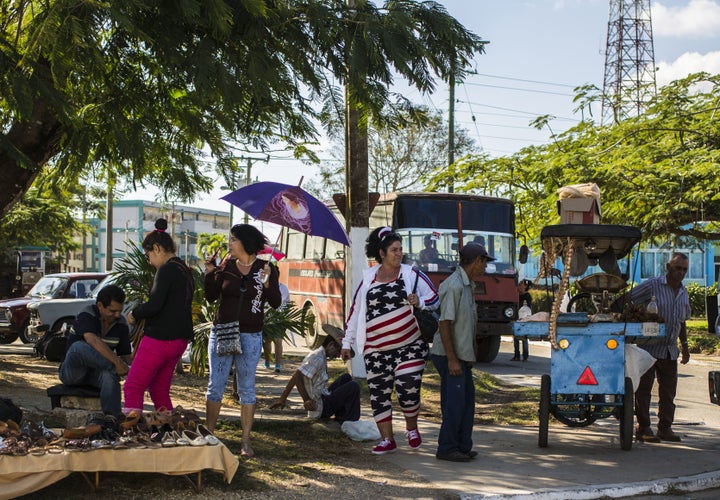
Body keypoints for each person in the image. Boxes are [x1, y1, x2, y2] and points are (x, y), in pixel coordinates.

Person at [342, 226, 439, 455]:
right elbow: (356, 312)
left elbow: (434, 296)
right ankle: (387, 439)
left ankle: (412, 428)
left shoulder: (411, 273)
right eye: (394, 250)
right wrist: (347, 342)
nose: (399, 254)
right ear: (382, 253)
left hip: (410, 346)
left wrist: (421, 302)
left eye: (400, 249)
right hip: (375, 350)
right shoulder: (368, 278)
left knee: (408, 388)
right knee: (379, 394)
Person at [204, 224, 282, 458]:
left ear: (246, 243)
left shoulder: (266, 268)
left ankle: (245, 441)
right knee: (215, 386)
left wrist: (267, 283)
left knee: (247, 389)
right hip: (223, 331)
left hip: (250, 335)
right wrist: (210, 273)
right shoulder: (227, 265)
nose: (230, 243)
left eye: (233, 240)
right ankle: (209, 435)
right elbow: (210, 297)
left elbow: (276, 302)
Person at [123, 218, 195, 415]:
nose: (149, 260)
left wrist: (134, 314)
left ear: (156, 248)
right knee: (159, 390)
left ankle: (131, 433)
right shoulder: (184, 269)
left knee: (133, 387)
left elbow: (155, 305)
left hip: (160, 339)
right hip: (179, 340)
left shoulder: (166, 270)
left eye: (148, 255)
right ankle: (168, 433)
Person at [431, 242, 494, 462]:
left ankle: (462, 446)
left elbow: (467, 321)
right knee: (455, 404)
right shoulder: (454, 285)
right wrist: (452, 359)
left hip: (461, 353)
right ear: (477, 261)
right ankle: (447, 448)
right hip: (449, 354)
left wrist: (472, 347)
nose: (485, 267)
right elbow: (445, 323)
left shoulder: (468, 285)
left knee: (467, 402)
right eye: (484, 262)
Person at [631, 252, 691, 443]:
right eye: (677, 268)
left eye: (684, 269)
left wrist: (685, 346)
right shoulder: (653, 285)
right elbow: (629, 298)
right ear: (668, 267)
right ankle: (643, 427)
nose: (680, 272)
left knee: (668, 393)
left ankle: (665, 428)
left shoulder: (683, 292)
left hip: (669, 350)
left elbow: (682, 322)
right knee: (644, 390)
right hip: (648, 348)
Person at [59, 284, 132, 416]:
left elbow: (126, 356)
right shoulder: (86, 314)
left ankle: (112, 418)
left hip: (96, 375)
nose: (117, 315)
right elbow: (92, 340)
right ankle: (112, 368)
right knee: (78, 347)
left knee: (109, 375)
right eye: (112, 311)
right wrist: (117, 364)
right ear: (100, 306)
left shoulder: (121, 323)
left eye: (119, 311)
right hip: (73, 372)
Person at [269, 324, 360, 422]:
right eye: (338, 351)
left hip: (324, 397)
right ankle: (349, 420)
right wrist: (306, 400)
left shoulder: (321, 355)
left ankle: (342, 416)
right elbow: (297, 376)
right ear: (330, 345)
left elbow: (298, 374)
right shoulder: (317, 357)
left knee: (346, 378)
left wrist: (283, 399)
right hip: (320, 408)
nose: (338, 355)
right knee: (354, 386)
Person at [263, 277, 290, 372]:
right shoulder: (265, 286)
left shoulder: (283, 288)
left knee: (277, 341)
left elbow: (281, 303)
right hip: (267, 318)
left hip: (279, 319)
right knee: (267, 341)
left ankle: (277, 365)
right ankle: (267, 361)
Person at [512, 279, 532, 361]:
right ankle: (516, 355)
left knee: (524, 337)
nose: (519, 285)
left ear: (525, 286)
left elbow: (528, 309)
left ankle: (525, 355)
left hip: (524, 318)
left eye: (521, 284)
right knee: (516, 337)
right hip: (516, 318)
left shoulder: (527, 297)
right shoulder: (516, 295)